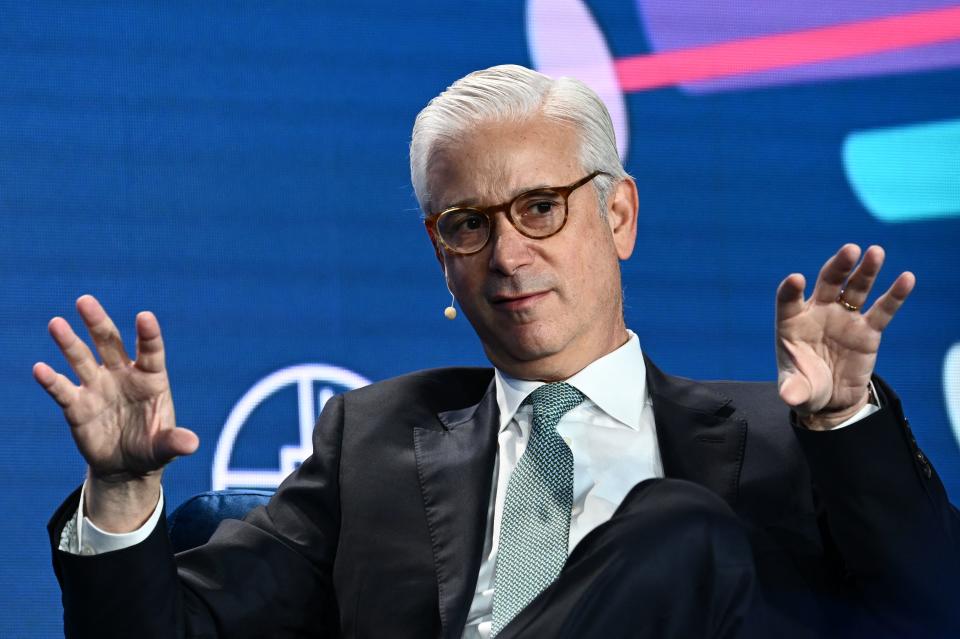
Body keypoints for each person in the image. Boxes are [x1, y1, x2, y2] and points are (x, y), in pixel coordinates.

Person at [40, 65, 958, 638]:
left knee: (681, 527)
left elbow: (933, 607)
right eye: (469, 224)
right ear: (440, 253)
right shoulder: (372, 439)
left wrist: (843, 421)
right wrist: (121, 493)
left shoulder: (786, 435)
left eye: (540, 208)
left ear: (620, 214)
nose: (510, 256)